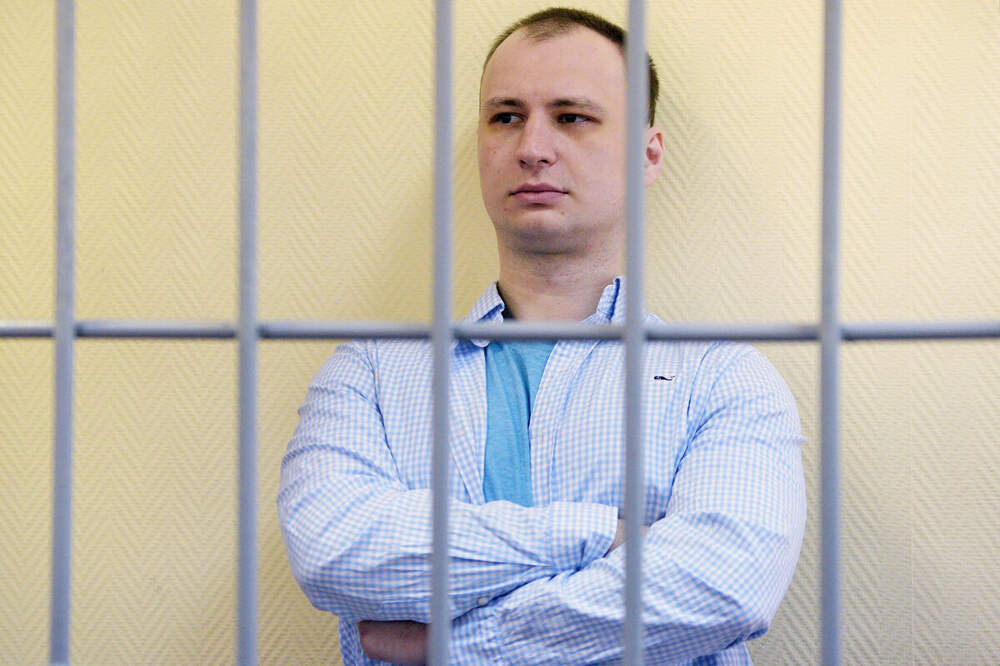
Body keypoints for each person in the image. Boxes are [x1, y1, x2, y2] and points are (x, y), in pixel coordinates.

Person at [278, 7, 806, 664]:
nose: (532, 147)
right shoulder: (371, 373)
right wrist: (602, 535)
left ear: (648, 155)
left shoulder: (722, 378)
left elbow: (724, 589)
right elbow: (332, 553)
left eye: (572, 116)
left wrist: (453, 646)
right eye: (506, 117)